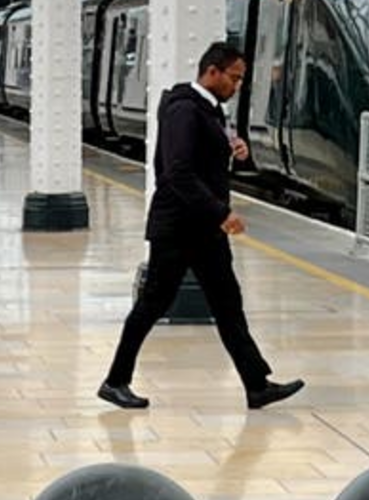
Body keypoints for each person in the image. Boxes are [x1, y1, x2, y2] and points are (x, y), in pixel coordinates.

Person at [98, 42, 303, 412]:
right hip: (178, 227)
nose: (237, 86)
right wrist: (221, 213)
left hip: (203, 229)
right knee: (153, 304)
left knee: (228, 304)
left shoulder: (209, 110)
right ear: (212, 71)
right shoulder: (184, 110)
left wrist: (235, 149)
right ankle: (115, 381)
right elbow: (178, 171)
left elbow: (203, 161)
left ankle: (257, 385)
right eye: (234, 78)